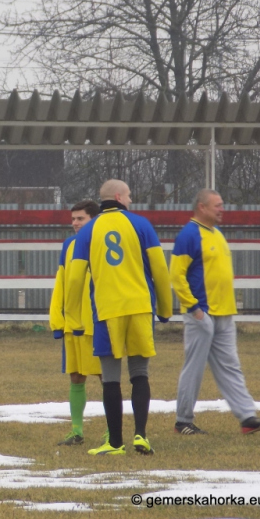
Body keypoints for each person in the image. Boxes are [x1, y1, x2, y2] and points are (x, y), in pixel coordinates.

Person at [66, 179, 172, 456]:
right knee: (139, 373)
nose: (131, 200)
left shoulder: (87, 231)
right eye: (129, 195)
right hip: (139, 307)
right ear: (118, 197)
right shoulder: (141, 225)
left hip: (107, 310)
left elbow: (75, 277)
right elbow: (160, 269)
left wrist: (73, 317)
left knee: (111, 377)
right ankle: (141, 436)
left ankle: (114, 442)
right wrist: (165, 308)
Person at [171, 189, 260, 435]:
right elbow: (175, 275)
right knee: (193, 368)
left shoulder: (217, 234)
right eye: (217, 205)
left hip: (224, 314)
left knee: (231, 366)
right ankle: (183, 421)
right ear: (202, 207)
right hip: (202, 314)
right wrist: (194, 309)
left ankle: (247, 417)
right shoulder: (189, 234)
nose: (222, 209)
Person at [49, 199, 103, 446]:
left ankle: (112, 431)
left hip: (98, 323)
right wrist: (57, 320)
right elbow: (61, 283)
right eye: (73, 219)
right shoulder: (69, 245)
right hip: (74, 324)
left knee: (106, 378)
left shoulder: (102, 242)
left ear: (93, 219)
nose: (75, 224)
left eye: (80, 219)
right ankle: (77, 431)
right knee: (76, 377)